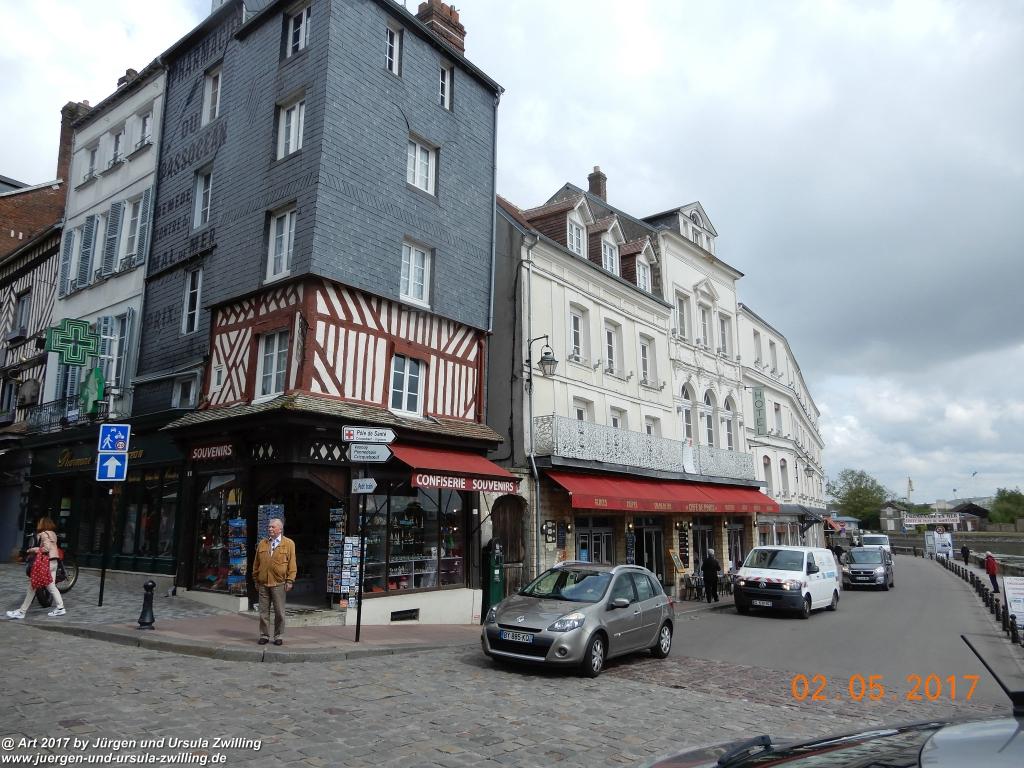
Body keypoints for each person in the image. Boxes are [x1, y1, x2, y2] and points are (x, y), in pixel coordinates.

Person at [6, 517, 66, 619]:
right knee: (51, 586)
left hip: (46, 563)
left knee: (33, 586)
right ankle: (60, 608)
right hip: (54, 562)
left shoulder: (43, 534)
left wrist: (33, 549)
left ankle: (21, 612)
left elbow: (46, 548)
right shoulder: (53, 534)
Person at [252, 518, 296, 645]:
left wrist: (290, 581)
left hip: (279, 583)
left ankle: (278, 636)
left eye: (273, 527)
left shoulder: (289, 544)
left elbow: (292, 564)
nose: (270, 529)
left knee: (279, 612)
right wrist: (255, 579)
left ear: (280, 529)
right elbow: (256, 563)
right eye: (269, 527)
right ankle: (264, 635)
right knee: (263, 612)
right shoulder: (262, 543)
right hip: (263, 583)